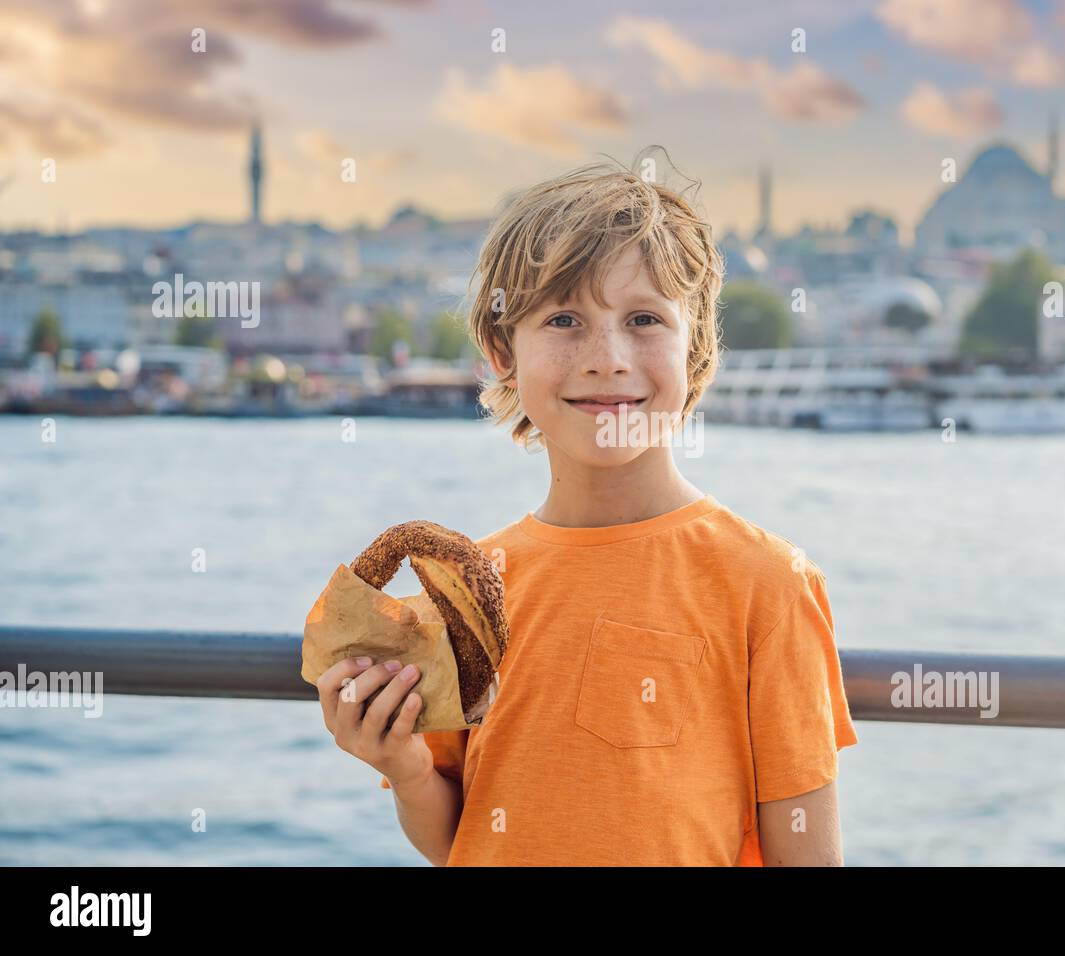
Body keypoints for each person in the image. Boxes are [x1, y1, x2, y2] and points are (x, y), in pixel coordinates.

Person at [315, 155, 858, 866]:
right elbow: (456, 835)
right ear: (500, 353)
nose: (607, 357)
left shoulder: (768, 584)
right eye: (564, 319)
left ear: (695, 352)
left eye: (643, 319)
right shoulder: (469, 589)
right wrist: (407, 768)